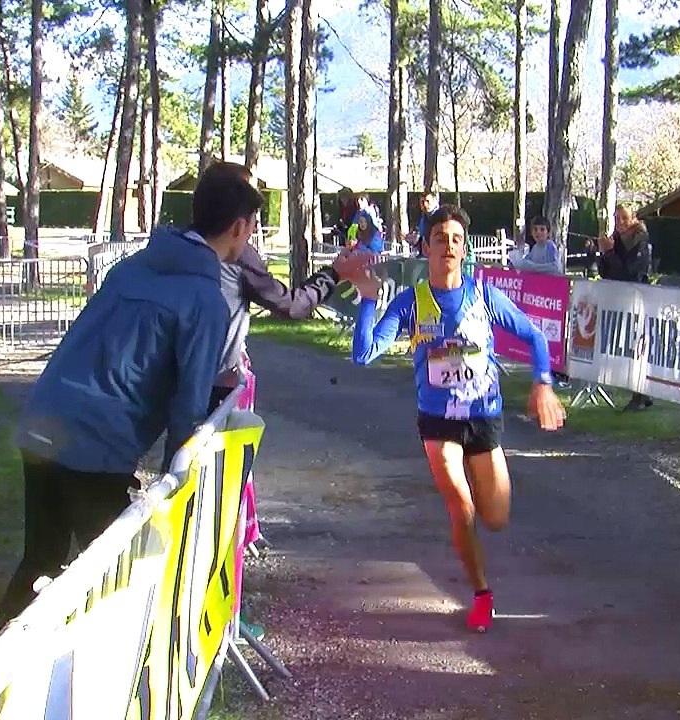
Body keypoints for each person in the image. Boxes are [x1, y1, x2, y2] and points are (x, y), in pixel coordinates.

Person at [0, 161, 257, 623]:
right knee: (124, 574)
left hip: (43, 420)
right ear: (239, 227)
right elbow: (189, 405)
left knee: (42, 559)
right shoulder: (205, 299)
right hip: (95, 445)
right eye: (251, 230)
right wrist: (177, 481)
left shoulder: (135, 264)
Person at [349, 204, 567, 634]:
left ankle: (476, 511)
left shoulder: (483, 295)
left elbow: (534, 336)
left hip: (483, 417)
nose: (448, 246)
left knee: (496, 517)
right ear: (425, 247)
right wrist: (369, 302)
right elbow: (364, 353)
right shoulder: (412, 303)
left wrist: (543, 383)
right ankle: (482, 595)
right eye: (439, 239)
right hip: (437, 420)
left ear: (464, 249)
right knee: (460, 503)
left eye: (455, 239)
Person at [210, 232, 374, 414]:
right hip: (218, 384)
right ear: (240, 225)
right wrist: (333, 274)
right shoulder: (237, 252)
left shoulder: (179, 247)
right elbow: (292, 305)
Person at [598, 204, 654, 412]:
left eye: (624, 218)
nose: (620, 223)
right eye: (617, 218)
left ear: (634, 219)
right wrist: (603, 253)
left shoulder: (641, 240)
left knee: (637, 345)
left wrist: (611, 253)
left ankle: (641, 393)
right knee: (626, 346)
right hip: (620, 297)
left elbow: (630, 271)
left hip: (637, 297)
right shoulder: (617, 238)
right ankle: (639, 393)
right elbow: (606, 271)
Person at [512, 215, 570, 387]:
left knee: (554, 331)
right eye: (536, 230)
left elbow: (555, 268)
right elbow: (523, 266)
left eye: (542, 230)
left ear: (548, 232)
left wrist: (533, 268)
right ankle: (546, 367)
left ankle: (560, 370)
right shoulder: (535, 248)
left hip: (553, 296)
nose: (539, 233)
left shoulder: (550, 247)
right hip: (539, 297)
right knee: (542, 331)